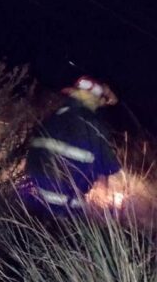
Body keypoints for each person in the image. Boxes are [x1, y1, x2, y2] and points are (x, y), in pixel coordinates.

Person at [24, 76, 121, 214]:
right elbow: (108, 166)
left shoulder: (55, 117)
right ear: (92, 99)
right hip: (66, 203)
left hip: (36, 197)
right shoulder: (92, 124)